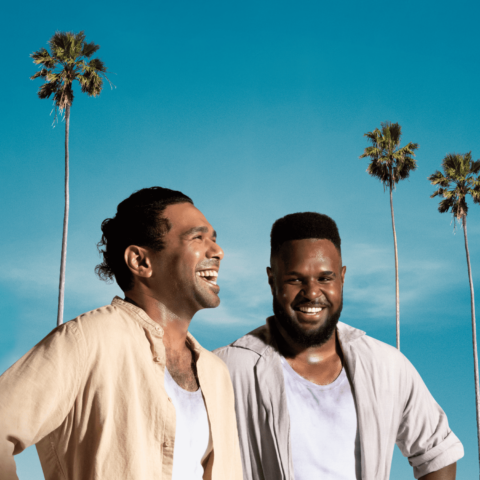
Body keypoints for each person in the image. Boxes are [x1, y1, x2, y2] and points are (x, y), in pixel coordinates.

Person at [0, 186, 242, 480]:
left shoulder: (216, 373)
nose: (217, 251)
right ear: (141, 262)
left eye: (214, 239)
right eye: (197, 238)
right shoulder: (88, 340)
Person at [215, 212, 463, 480]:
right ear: (272, 280)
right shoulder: (227, 369)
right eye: (295, 279)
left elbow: (438, 453)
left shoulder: (387, 366)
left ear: (342, 278)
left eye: (324, 278)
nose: (311, 292)